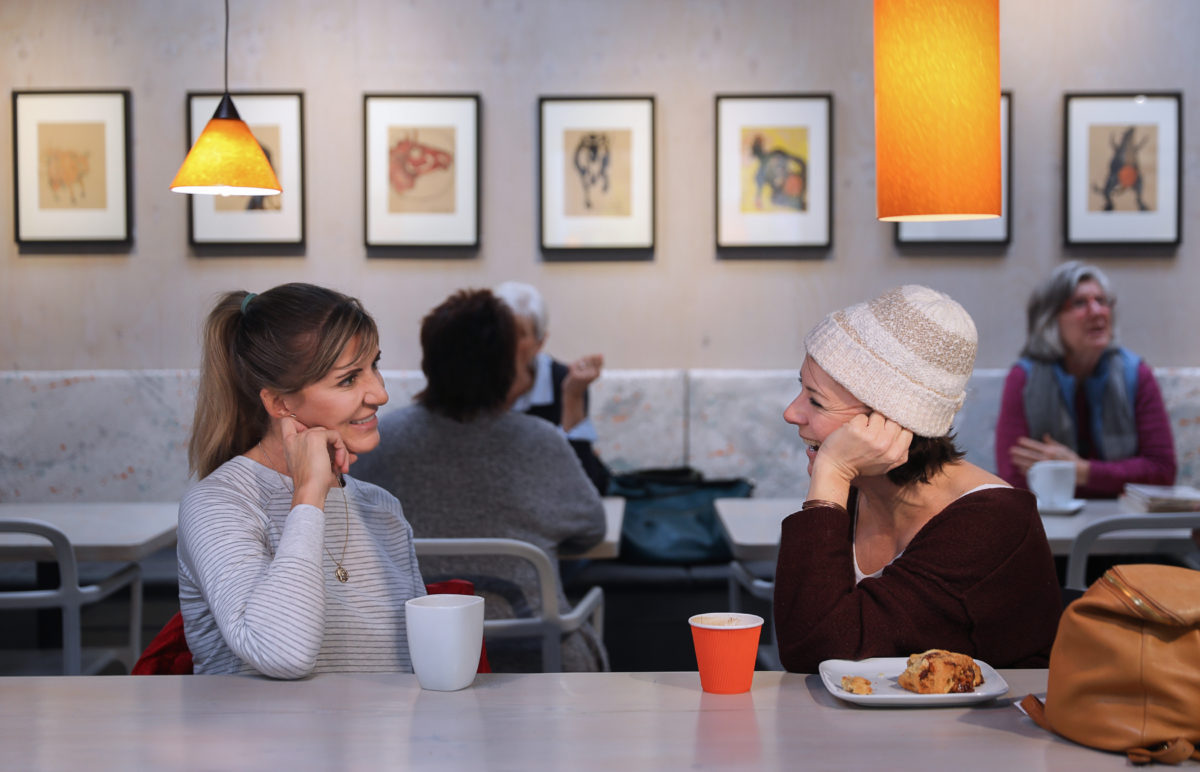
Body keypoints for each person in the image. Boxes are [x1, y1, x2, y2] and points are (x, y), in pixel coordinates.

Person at [773, 285, 1061, 674]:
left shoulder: (994, 523)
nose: (792, 413)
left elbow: (820, 647)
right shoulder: (864, 490)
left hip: (998, 734)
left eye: (816, 400)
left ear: (890, 422)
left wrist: (832, 471)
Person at [352, 288, 608, 672]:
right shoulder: (540, 441)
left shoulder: (379, 441)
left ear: (430, 362)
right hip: (535, 657)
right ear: (508, 366)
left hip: (413, 655)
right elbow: (591, 529)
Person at [178, 283, 425, 678]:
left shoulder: (382, 508)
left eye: (374, 366)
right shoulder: (218, 503)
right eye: (348, 379)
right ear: (279, 403)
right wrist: (309, 494)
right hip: (264, 739)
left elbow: (414, 668)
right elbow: (283, 652)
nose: (380, 393)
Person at [995, 261, 1176, 497]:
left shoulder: (1137, 374)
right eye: (1080, 303)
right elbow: (1013, 480)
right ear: (1049, 319)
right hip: (1049, 523)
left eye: (1102, 301)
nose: (1097, 311)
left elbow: (1162, 471)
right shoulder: (1023, 379)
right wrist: (1116, 476)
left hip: (1124, 519)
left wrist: (1081, 471)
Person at [493, 281, 612, 494]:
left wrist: (573, 396)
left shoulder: (563, 381)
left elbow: (586, 486)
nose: (505, 342)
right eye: (499, 332)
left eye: (519, 334)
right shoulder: (472, 382)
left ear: (540, 342)